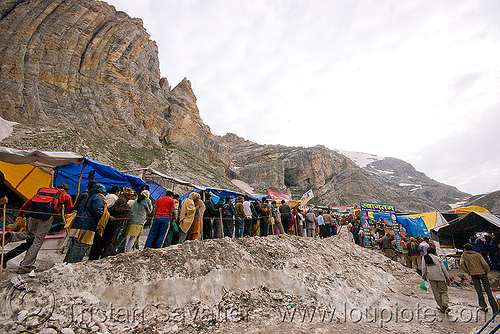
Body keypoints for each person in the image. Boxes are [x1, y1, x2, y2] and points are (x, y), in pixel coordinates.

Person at [6, 184, 73, 274]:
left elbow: (29, 202)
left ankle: (11, 236)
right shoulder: (65, 195)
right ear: (66, 189)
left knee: (30, 234)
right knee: (37, 241)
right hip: (46, 218)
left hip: (32, 214)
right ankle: (25, 266)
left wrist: (21, 213)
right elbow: (69, 209)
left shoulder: (44, 191)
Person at [66, 183, 108, 263]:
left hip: (79, 223)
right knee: (81, 246)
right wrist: (106, 216)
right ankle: (73, 264)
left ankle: (69, 262)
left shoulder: (87, 195)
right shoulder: (98, 198)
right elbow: (97, 211)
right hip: (88, 225)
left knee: (75, 245)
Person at [460, 243, 499, 313]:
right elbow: (485, 265)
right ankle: (495, 308)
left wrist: (468, 271)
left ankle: (483, 307)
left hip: (473, 274)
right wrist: (486, 272)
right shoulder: (478, 255)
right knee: (488, 291)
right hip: (482, 273)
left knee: (479, 291)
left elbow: (461, 264)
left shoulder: (464, 255)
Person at [422, 247, 451, 313]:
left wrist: (424, 276)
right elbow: (443, 269)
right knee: (443, 291)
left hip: (431, 277)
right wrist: (447, 278)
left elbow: (424, 268)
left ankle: (441, 306)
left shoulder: (425, 258)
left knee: (436, 292)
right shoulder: (438, 258)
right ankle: (445, 304)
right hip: (440, 277)